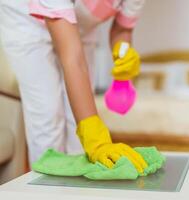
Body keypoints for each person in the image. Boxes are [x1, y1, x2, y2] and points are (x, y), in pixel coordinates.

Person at [0, 0, 147, 173]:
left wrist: (123, 51)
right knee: (48, 114)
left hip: (81, 27)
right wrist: (97, 140)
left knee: (77, 127)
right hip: (27, 22)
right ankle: (46, 191)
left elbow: (122, 29)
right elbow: (73, 58)